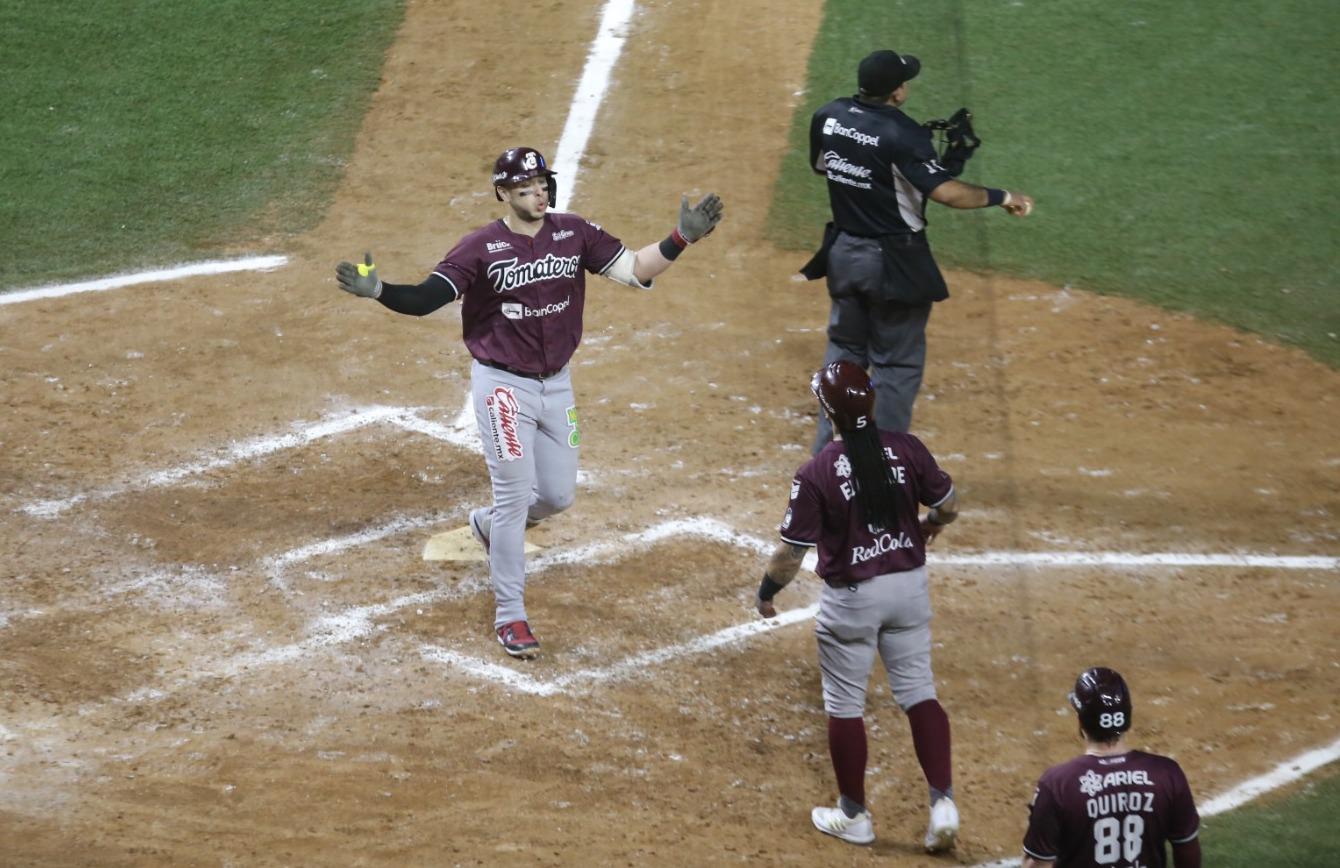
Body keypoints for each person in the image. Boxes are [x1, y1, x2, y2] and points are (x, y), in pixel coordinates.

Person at [335, 146, 723, 658]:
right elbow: (428, 298)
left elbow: (633, 269)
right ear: (503, 193)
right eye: (525, 189)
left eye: (542, 185)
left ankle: (486, 527)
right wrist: (381, 290)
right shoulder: (480, 248)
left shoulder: (573, 232)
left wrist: (682, 238)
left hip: (557, 383)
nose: (538, 195)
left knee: (558, 496)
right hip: (502, 386)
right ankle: (510, 616)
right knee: (515, 497)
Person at [755, 359, 961, 851]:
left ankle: (854, 815)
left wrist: (767, 592)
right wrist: (933, 523)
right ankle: (943, 803)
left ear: (828, 411)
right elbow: (949, 502)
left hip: (853, 602)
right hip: (909, 587)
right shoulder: (905, 448)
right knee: (919, 693)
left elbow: (790, 555)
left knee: (844, 705)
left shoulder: (818, 471)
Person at [803, 49, 1035, 454]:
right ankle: (884, 467)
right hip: (892, 265)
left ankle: (829, 458)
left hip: (843, 254)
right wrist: (1004, 196)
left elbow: (826, 167)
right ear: (897, 92)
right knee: (895, 365)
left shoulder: (829, 115)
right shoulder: (904, 134)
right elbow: (948, 194)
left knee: (844, 359)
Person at [1021, 667, 1202, 868]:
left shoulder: (1057, 784)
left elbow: (1038, 864)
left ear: (1081, 721)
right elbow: (1187, 850)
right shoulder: (1167, 774)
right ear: (1127, 718)